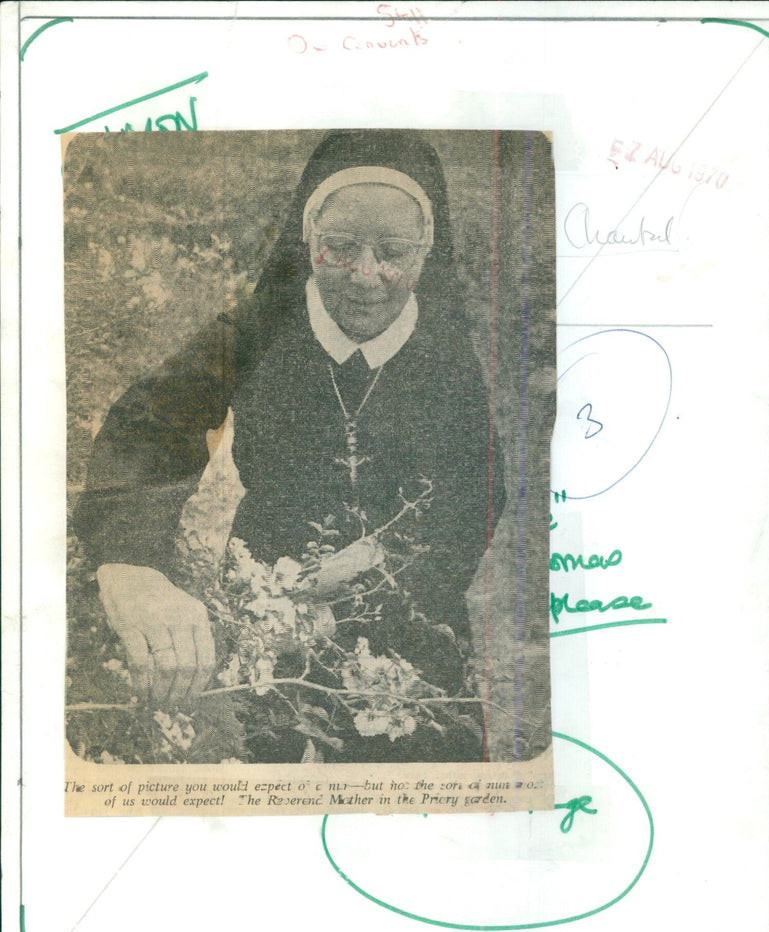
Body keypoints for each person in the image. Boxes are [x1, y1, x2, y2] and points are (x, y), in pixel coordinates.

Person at [74, 130, 506, 762]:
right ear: (308, 243)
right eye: (339, 247)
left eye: (391, 252)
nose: (365, 274)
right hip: (263, 611)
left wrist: (370, 581)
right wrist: (134, 564)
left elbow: (473, 498)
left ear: (423, 257)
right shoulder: (262, 328)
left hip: (405, 615)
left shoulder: (444, 360)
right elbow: (148, 425)